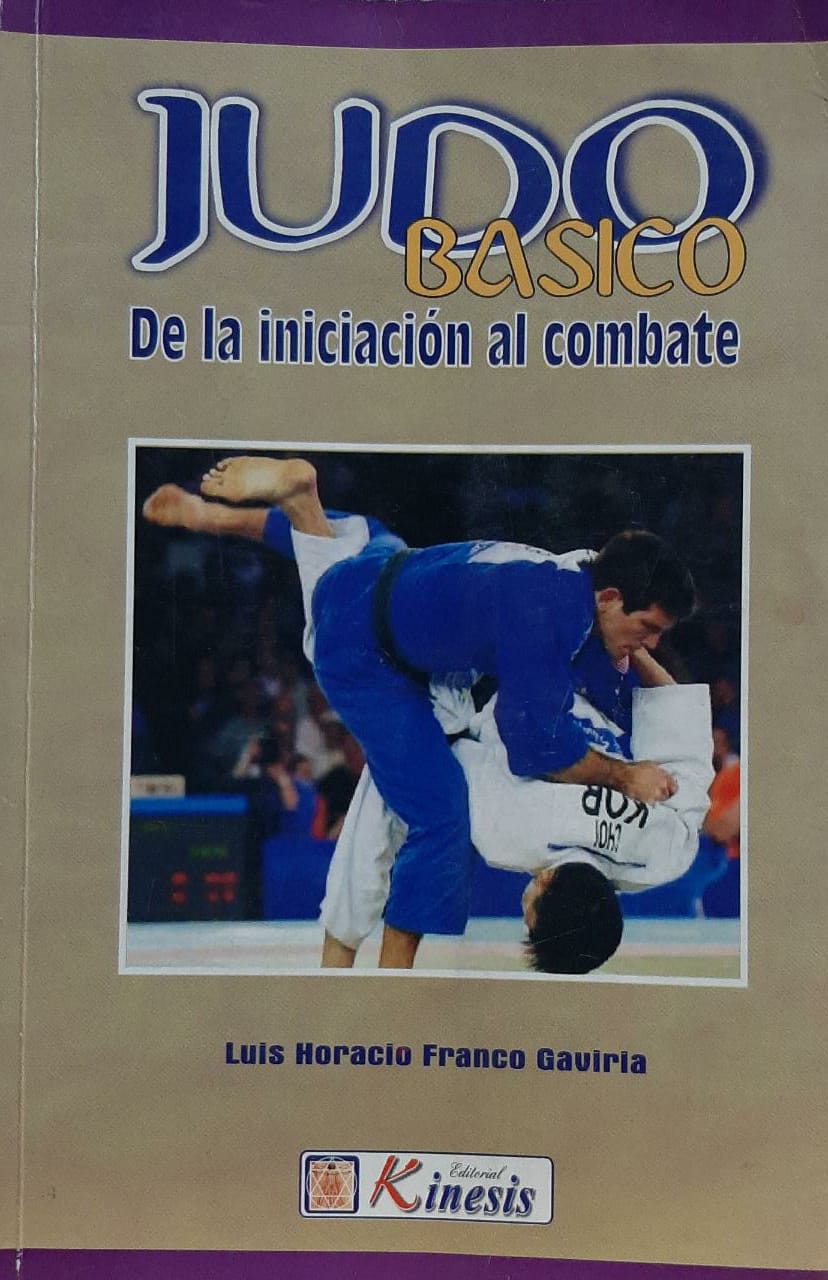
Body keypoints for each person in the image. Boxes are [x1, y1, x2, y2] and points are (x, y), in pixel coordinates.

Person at [143, 456, 697, 969]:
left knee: (359, 541)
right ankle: (387, 978)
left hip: (400, 576)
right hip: (365, 653)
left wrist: (629, 692)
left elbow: (673, 737)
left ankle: (229, 514)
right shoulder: (514, 828)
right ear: (609, 597)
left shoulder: (575, 571)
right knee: (436, 816)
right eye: (647, 628)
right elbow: (534, 745)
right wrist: (622, 775)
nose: (649, 643)